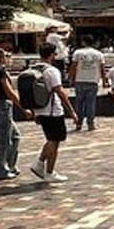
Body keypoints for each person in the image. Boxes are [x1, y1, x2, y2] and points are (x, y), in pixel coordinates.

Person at [29, 44, 80, 183]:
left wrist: (34, 112)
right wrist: (72, 111)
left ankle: (40, 165)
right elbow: (59, 91)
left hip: (39, 108)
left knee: (51, 139)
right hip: (52, 110)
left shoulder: (33, 68)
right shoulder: (51, 71)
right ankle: (48, 171)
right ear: (52, 54)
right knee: (55, 140)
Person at [0, 47, 32, 181]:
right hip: (2, 105)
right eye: (5, 56)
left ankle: (10, 165)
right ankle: (0, 170)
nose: (7, 58)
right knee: (3, 140)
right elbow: (8, 91)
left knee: (14, 136)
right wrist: (23, 107)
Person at [68, 34, 106, 132]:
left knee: (79, 103)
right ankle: (90, 124)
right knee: (91, 103)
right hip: (93, 80)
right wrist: (104, 80)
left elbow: (73, 66)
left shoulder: (78, 53)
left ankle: (79, 123)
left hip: (80, 80)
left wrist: (71, 78)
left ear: (83, 42)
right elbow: (102, 69)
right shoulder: (99, 54)